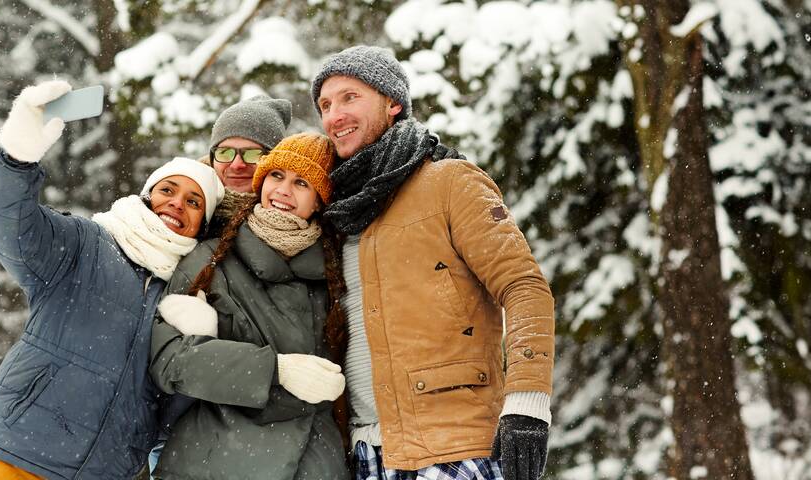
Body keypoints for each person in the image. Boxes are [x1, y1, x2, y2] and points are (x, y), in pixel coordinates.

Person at [0, 80, 223, 480]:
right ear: (148, 195)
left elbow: (169, 414)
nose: (176, 204)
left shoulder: (186, 294)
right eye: (168, 189)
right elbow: (9, 224)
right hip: (13, 453)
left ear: (203, 223)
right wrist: (18, 157)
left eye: (193, 201)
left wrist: (199, 344)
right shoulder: (88, 243)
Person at [311, 45, 555, 480]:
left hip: (454, 446)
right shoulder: (339, 211)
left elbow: (523, 287)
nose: (334, 116)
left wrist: (527, 402)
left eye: (350, 97)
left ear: (393, 102)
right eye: (325, 105)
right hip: (366, 456)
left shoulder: (449, 182)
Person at [147, 132, 349, 479]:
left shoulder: (336, 275)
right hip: (214, 460)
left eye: (301, 182)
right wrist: (274, 371)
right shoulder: (210, 259)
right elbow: (168, 359)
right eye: (275, 176)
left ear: (319, 200)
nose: (283, 190)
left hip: (315, 462)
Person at [202, 94, 293, 236]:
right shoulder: (182, 207)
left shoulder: (299, 220)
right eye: (225, 152)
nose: (237, 165)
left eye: (252, 154)